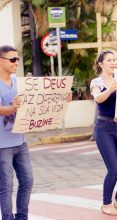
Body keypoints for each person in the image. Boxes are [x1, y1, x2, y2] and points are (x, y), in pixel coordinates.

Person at [90, 50, 117, 216]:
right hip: (104, 128)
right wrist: (110, 89)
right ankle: (106, 204)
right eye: (109, 60)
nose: (113, 62)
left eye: (114, 60)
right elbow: (97, 98)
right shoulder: (97, 81)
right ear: (101, 64)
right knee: (114, 168)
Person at [0, 45, 34, 220]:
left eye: (17, 59)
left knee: (27, 181)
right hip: (2, 145)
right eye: (12, 59)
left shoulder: (19, 83)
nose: (17, 62)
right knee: (6, 186)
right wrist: (13, 107)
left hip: (20, 141)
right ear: (1, 61)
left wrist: (60, 96)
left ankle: (22, 217)